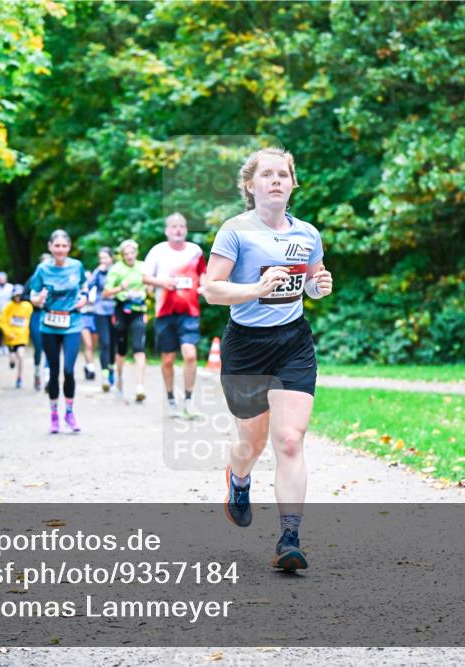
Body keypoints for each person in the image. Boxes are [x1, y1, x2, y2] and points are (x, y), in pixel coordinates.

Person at [201, 147, 333, 572]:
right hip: (246, 346)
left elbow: (310, 283)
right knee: (252, 443)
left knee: (290, 440)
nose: (276, 180)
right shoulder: (235, 231)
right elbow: (212, 290)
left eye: (283, 174)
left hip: (293, 341)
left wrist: (319, 286)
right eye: (267, 174)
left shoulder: (308, 234)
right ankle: (239, 480)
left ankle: (289, 538)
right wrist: (255, 291)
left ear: (293, 184)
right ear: (250, 185)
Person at [143, 212, 207, 418]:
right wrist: (162, 282)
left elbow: (203, 274)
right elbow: (145, 277)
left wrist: (204, 286)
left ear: (186, 229)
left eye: (182, 226)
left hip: (189, 311)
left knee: (190, 354)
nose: (178, 229)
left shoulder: (195, 251)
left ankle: (188, 401)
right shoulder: (158, 251)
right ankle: (171, 400)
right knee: (168, 358)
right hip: (165, 311)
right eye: (174, 226)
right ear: (167, 230)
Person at [29, 232, 87, 433]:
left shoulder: (77, 266)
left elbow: (84, 286)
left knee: (69, 370)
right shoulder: (43, 269)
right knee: (53, 371)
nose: (60, 250)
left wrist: (84, 298)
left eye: (64, 246)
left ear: (69, 247)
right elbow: (33, 294)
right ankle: (54, 415)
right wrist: (38, 300)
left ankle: (69, 412)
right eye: (57, 246)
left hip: (72, 322)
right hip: (49, 323)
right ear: (50, 247)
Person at [103, 239, 148, 403]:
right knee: (121, 349)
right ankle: (120, 380)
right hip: (121, 310)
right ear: (122, 255)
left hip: (139, 311)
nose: (129, 256)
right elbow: (105, 293)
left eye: (132, 253)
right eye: (126, 254)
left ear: (136, 253)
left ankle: (139, 387)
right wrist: (120, 288)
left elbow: (150, 285)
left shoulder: (143, 266)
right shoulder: (116, 269)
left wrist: (147, 291)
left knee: (139, 348)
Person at [87, 247, 116, 392]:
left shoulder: (117, 271)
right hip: (100, 311)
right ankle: (105, 374)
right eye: (101, 258)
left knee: (113, 344)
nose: (103, 261)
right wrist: (97, 271)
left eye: (105, 257)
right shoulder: (98, 272)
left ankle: (112, 369)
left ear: (112, 258)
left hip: (116, 311)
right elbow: (88, 286)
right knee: (104, 342)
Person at [0, 285, 33, 388]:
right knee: (12, 358)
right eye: (16, 295)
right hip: (11, 339)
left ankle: (19, 378)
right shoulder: (8, 306)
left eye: (20, 295)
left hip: (22, 337)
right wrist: (8, 333)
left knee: (21, 356)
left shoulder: (27, 306)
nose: (18, 297)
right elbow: (1, 321)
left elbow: (32, 318)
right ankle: (11, 361)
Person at [27, 253, 52, 391]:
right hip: (37, 316)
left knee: (50, 347)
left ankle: (48, 377)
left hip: (51, 316)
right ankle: (37, 372)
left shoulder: (57, 278)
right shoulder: (34, 279)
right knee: (38, 346)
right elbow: (23, 296)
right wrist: (36, 300)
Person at [80, 268, 99, 381]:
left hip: (95, 317)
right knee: (88, 344)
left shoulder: (96, 288)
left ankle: (87, 364)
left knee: (93, 344)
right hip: (84, 317)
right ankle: (91, 368)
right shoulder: (80, 289)